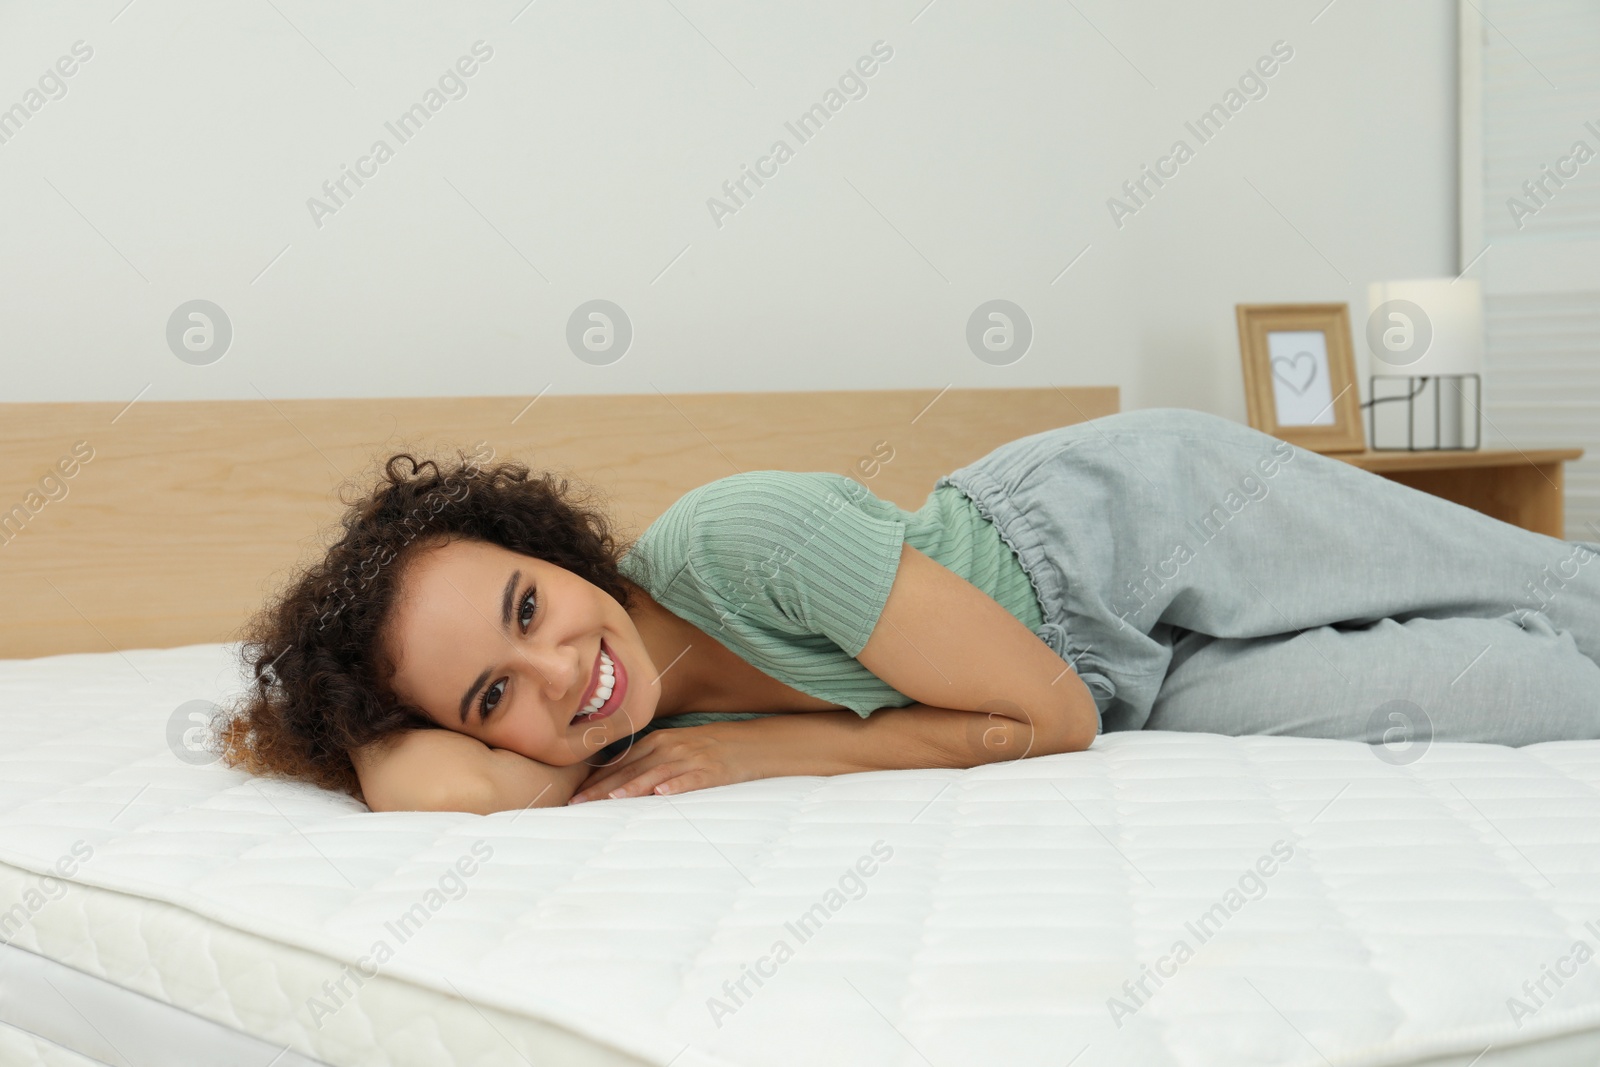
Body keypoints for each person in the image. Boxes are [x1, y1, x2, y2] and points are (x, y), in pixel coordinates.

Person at [218, 408, 1600, 813]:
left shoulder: (734, 540)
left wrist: (779, 751)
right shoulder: (586, 749)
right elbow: (436, 797)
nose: (558, 668)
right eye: (490, 696)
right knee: (1538, 700)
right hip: (1133, 688)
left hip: (1123, 530)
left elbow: (1041, 719)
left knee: (1552, 587)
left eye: (529, 605)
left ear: (560, 553)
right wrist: (336, 724)